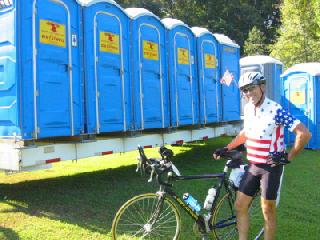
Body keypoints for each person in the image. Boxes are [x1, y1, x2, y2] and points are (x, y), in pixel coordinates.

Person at [213, 72, 311, 240]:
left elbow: (304, 133)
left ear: (262, 86)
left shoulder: (276, 109)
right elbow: (246, 132)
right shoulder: (248, 108)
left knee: (268, 211)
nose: (249, 93)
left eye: (251, 88)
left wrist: (288, 157)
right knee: (240, 206)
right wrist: (227, 147)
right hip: (253, 165)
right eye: (245, 90)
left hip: (270, 168)